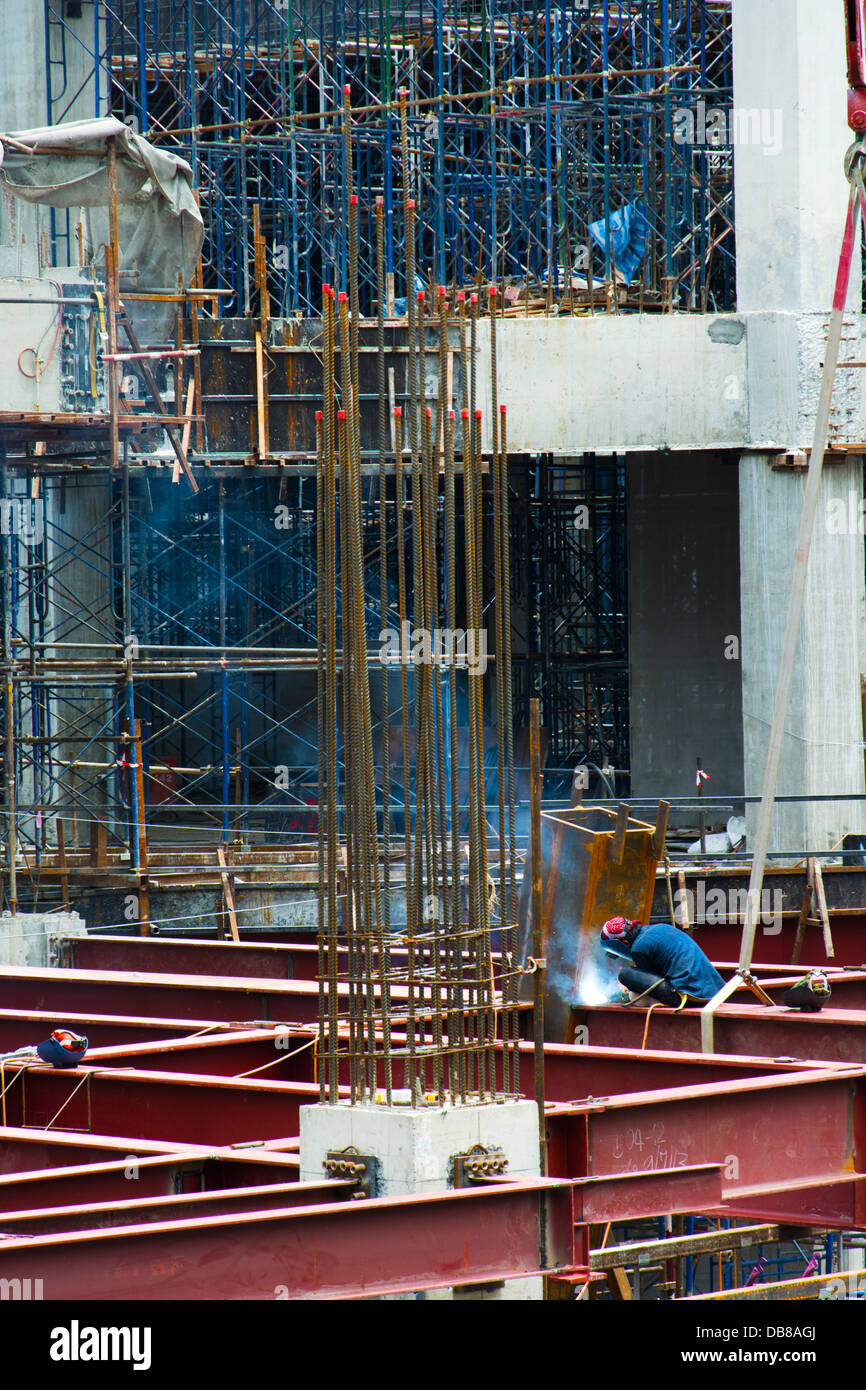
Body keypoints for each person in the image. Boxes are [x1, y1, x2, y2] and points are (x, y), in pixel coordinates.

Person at [600, 917, 724, 1007]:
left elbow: (647, 984)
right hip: (714, 990)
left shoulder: (639, 948)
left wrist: (621, 993)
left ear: (625, 943)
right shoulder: (659, 927)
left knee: (625, 974)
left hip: (689, 996)